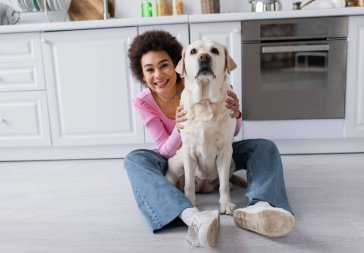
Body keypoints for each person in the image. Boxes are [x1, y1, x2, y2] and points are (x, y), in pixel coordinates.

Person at [124, 30, 295, 248]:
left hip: (219, 149)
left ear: (178, 65)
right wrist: (180, 128)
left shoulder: (217, 87)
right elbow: (164, 151)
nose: (158, 74)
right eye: (150, 69)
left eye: (164, 65)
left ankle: (263, 205)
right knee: (134, 159)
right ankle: (190, 215)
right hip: (175, 153)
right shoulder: (144, 101)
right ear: (142, 74)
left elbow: (232, 134)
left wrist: (236, 114)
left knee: (264, 146)